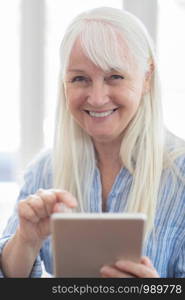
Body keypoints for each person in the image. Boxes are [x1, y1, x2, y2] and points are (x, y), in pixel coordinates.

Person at [0, 6, 185, 278]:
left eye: (115, 77)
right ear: (64, 84)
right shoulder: (45, 170)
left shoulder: (179, 175)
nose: (97, 98)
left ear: (147, 78)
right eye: (80, 79)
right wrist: (26, 240)